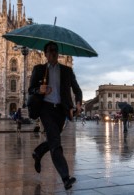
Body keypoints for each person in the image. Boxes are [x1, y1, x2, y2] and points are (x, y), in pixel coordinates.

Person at [28, 41, 82, 190]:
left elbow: (77, 90)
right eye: (50, 51)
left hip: (61, 111)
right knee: (55, 143)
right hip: (46, 109)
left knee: (53, 139)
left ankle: (38, 152)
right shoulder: (39, 69)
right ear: (45, 54)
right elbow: (30, 90)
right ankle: (65, 178)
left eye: (55, 50)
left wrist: (78, 104)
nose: (53, 53)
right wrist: (39, 90)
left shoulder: (67, 70)